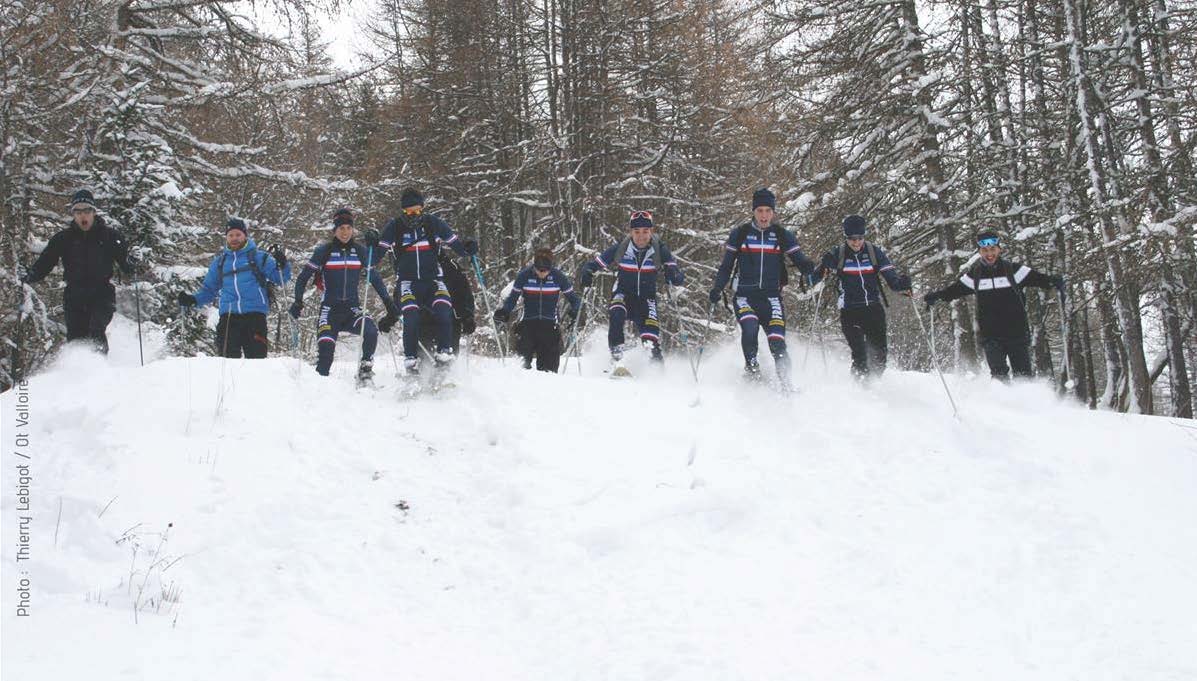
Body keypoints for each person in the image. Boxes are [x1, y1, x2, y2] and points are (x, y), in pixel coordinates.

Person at [923, 230, 1064, 380]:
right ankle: (1001, 402)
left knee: (1023, 376)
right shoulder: (975, 275)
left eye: (992, 250)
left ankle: (1025, 401)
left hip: (1017, 333)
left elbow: (1039, 279)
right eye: (985, 250)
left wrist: (1054, 281)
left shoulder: (1014, 271)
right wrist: (936, 297)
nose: (989, 254)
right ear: (979, 252)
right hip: (991, 336)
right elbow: (953, 291)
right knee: (998, 377)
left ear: (999, 249)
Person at [708, 188, 817, 381]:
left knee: (777, 341)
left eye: (768, 211)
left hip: (771, 298)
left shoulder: (782, 235)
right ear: (753, 211)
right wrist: (718, 288)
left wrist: (808, 267)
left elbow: (799, 259)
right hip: (744, 297)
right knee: (750, 328)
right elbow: (726, 266)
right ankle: (752, 371)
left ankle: (786, 383)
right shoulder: (740, 234)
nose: (764, 215)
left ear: (773, 212)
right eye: (760, 211)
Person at [373, 188, 477, 375]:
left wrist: (468, 248)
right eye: (408, 211)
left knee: (444, 311)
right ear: (403, 210)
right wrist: (371, 244)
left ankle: (443, 360)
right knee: (411, 315)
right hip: (408, 283)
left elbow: (458, 247)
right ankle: (411, 365)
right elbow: (374, 258)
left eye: (417, 210)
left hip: (433, 281)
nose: (413, 215)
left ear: (422, 208)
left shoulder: (433, 224)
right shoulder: (395, 227)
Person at [289, 208, 399, 385]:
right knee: (326, 356)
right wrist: (298, 302)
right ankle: (319, 388)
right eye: (341, 228)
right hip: (330, 311)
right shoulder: (324, 251)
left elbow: (375, 278)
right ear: (334, 230)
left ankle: (365, 372)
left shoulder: (360, 251)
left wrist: (389, 303)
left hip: (352, 310)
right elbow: (303, 277)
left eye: (349, 228)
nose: (345, 232)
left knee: (370, 332)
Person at [21, 189, 134, 354]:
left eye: (87, 211)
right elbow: (45, 263)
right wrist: (28, 277)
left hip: (102, 293)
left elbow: (127, 266)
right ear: (73, 214)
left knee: (96, 328)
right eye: (78, 211)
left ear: (94, 212)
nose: (83, 216)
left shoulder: (111, 236)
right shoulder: (63, 239)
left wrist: (134, 261)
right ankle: (77, 372)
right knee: (76, 338)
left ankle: (100, 368)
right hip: (74, 295)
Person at [578, 210, 685, 367]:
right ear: (630, 232)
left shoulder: (659, 250)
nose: (641, 236)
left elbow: (678, 277)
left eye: (645, 232)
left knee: (650, 339)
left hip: (646, 299)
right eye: (636, 232)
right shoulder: (621, 248)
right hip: (623, 294)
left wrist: (673, 274)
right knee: (616, 312)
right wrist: (588, 271)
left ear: (651, 231)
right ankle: (617, 356)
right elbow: (594, 264)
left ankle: (657, 372)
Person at [811, 215, 912, 379]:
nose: (856, 243)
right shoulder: (839, 253)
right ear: (846, 237)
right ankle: (858, 391)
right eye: (852, 239)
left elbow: (892, 280)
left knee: (879, 356)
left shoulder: (873, 252)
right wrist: (822, 268)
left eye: (859, 238)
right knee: (861, 356)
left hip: (873, 309)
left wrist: (903, 284)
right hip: (850, 311)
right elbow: (816, 276)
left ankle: (873, 387)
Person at [178, 218, 291, 358]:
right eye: (231, 235)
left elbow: (280, 278)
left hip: (255, 316)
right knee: (227, 362)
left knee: (256, 363)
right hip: (229, 317)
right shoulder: (220, 262)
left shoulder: (259, 257)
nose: (234, 238)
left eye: (238, 235)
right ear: (226, 237)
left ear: (245, 236)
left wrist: (283, 264)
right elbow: (209, 290)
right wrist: (193, 300)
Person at [494, 248, 582, 372]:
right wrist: (504, 311)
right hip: (528, 324)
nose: (541, 273)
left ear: (550, 268)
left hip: (550, 325)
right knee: (521, 367)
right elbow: (512, 298)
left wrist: (576, 310)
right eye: (538, 269)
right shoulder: (524, 276)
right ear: (534, 266)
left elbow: (575, 299)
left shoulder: (558, 277)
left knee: (548, 371)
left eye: (545, 270)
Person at [417, 248, 476, 355]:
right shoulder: (415, 267)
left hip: (451, 319)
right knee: (425, 358)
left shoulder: (451, 267)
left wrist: (467, 316)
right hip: (425, 320)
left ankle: (450, 370)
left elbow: (463, 292)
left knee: (449, 357)